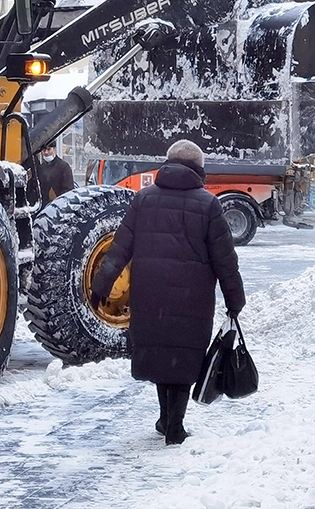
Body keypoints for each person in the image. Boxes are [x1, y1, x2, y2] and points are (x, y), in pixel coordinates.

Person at [90, 140, 246, 446]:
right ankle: (175, 424)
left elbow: (120, 247)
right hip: (193, 298)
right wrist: (234, 300)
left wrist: (101, 285)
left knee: (162, 355)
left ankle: (166, 419)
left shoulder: (144, 199)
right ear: (199, 169)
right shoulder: (209, 205)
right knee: (184, 358)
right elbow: (225, 261)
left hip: (150, 295)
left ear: (167, 164)